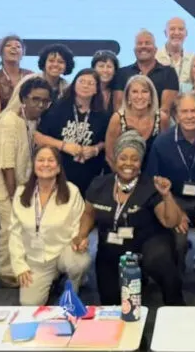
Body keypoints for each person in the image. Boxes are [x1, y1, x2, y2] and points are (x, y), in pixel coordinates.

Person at [73, 131, 185, 306]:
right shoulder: (99, 184)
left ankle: (176, 307)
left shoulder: (150, 185)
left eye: (135, 159)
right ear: (115, 159)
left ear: (141, 163)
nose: (128, 163)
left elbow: (170, 222)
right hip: (111, 244)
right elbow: (89, 213)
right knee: (110, 301)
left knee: (161, 261)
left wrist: (167, 196)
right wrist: (82, 235)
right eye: (123, 158)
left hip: (147, 243)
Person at [146, 92, 195, 301]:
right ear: (176, 115)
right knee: (178, 237)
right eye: (184, 111)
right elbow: (154, 180)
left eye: (194, 111)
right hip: (174, 198)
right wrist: (174, 210)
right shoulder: (162, 142)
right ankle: (176, 278)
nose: (189, 116)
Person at [9, 147, 91, 305]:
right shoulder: (21, 193)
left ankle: (74, 283)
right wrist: (20, 265)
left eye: (51, 160)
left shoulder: (71, 191)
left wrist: (79, 240)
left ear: (59, 167)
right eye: (40, 160)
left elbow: (78, 226)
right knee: (29, 304)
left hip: (63, 252)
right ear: (33, 165)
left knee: (78, 263)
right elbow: (15, 233)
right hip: (36, 259)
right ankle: (53, 280)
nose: (45, 164)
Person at [36, 68, 109, 197]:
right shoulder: (58, 108)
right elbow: (38, 137)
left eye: (91, 83)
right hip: (59, 174)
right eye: (81, 81)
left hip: (90, 177)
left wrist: (95, 149)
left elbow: (106, 141)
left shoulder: (102, 114)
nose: (85, 85)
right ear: (74, 84)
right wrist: (64, 146)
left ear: (97, 89)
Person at [0, 76, 53, 198]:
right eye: (35, 99)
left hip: (28, 185)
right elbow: (7, 165)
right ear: (23, 99)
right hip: (4, 187)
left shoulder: (44, 120)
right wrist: (13, 197)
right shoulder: (10, 122)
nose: (41, 105)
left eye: (45, 101)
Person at [105, 75, 170, 170]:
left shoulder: (161, 118)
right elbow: (110, 155)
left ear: (151, 96)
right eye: (134, 92)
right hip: (122, 174)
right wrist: (125, 177)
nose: (140, 96)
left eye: (145, 91)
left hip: (152, 176)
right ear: (128, 97)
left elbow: (165, 152)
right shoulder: (117, 118)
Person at [113, 30, 179, 113]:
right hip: (127, 125)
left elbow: (165, 110)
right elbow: (118, 108)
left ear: (155, 49)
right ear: (134, 50)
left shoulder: (169, 73)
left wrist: (146, 124)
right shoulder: (121, 73)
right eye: (139, 43)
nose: (143, 46)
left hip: (159, 125)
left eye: (147, 43)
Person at [0, 35, 32, 112]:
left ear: (22, 54)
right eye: (8, 45)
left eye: (18, 46)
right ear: (0, 52)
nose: (14, 48)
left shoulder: (30, 76)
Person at [156, 17, 193, 86]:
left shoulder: (193, 59)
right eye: (172, 29)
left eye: (181, 29)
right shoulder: (155, 57)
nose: (176, 32)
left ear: (186, 33)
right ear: (165, 33)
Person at [92, 50, 120, 114]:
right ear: (93, 69)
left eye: (109, 66)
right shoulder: (86, 90)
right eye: (101, 66)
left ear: (115, 70)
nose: (105, 70)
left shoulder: (119, 91)